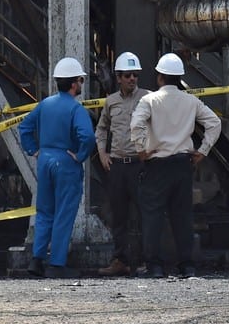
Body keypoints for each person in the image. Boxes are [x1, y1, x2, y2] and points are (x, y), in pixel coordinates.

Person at [130, 52, 222, 279]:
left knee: (153, 216)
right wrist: (202, 151)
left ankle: (155, 266)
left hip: (157, 165)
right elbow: (214, 123)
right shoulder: (191, 101)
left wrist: (141, 149)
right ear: (180, 78)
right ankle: (187, 266)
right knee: (182, 217)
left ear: (160, 77)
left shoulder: (149, 100)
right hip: (183, 165)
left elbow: (136, 124)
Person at [20, 56, 97, 279]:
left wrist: (33, 150)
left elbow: (25, 127)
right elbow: (88, 137)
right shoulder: (76, 109)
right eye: (81, 81)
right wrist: (80, 155)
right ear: (74, 83)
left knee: (44, 211)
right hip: (66, 162)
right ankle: (56, 264)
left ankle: (36, 260)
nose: (81, 84)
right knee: (64, 212)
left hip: (45, 160)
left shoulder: (45, 104)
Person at [95, 51, 150, 277]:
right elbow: (101, 128)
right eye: (127, 75)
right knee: (119, 215)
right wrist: (102, 152)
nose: (132, 79)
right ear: (118, 77)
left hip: (139, 165)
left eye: (135, 75)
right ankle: (120, 260)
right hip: (117, 165)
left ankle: (147, 260)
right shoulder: (111, 102)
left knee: (146, 213)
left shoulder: (148, 99)